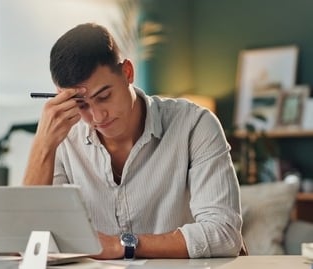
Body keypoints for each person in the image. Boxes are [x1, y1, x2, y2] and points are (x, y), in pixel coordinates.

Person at [23, 23, 244, 259]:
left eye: (104, 96)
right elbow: (27, 240)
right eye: (81, 104)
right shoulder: (62, 137)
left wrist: (122, 246)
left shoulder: (195, 125)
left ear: (127, 72)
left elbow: (224, 233)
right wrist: (43, 145)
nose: (97, 117)